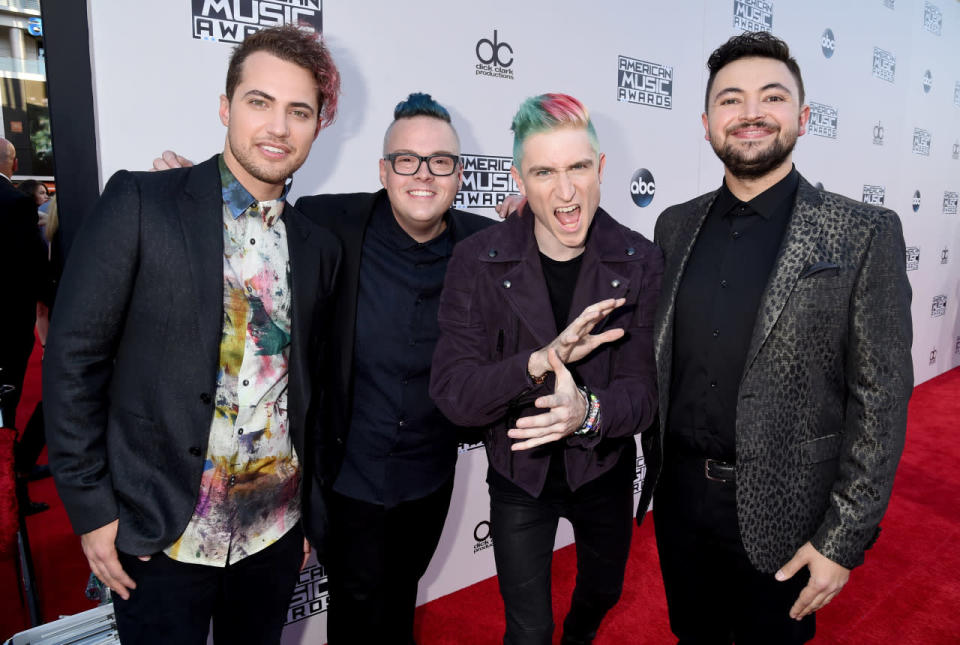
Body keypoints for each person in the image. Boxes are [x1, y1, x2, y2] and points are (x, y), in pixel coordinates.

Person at [155, 92, 493, 644]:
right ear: (384, 170)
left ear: (459, 173)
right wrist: (189, 192)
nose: (423, 175)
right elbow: (250, 208)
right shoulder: (328, 221)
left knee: (399, 604)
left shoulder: (485, 244)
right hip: (347, 478)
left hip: (429, 479)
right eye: (407, 160)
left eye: (441, 162)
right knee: (354, 616)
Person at [44, 25, 342, 645]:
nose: (277, 128)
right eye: (259, 102)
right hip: (161, 536)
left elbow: (310, 394)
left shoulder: (317, 246)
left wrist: (308, 512)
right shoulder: (142, 203)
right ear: (225, 106)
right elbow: (73, 361)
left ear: (320, 125)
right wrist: (94, 512)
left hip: (272, 535)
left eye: (299, 111)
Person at [649, 31, 912, 644]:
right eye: (730, 100)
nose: (749, 114)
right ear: (707, 122)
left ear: (802, 116)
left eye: (771, 97)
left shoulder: (862, 232)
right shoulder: (673, 225)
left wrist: (843, 540)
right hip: (680, 502)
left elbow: (881, 400)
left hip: (791, 511)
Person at [430, 93, 662, 645]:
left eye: (578, 167)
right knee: (528, 631)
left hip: (603, 470)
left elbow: (644, 394)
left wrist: (587, 413)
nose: (565, 191)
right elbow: (454, 392)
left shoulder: (640, 260)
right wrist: (539, 362)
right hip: (519, 477)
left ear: (600, 169)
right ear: (520, 179)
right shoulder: (478, 260)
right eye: (544, 172)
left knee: (603, 592)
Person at [0, 137, 46, 435]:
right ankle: (8, 455)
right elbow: (29, 262)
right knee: (8, 385)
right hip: (9, 314)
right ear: (15, 164)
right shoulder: (16, 202)